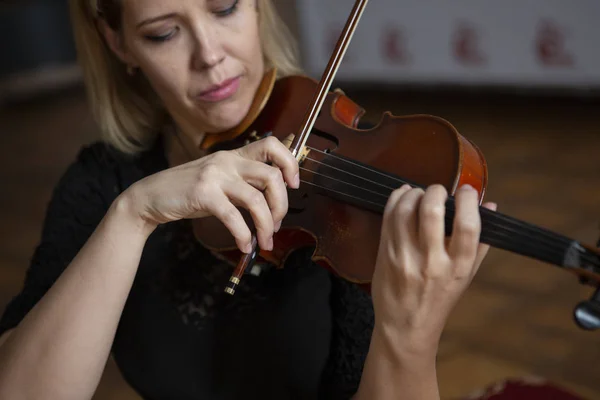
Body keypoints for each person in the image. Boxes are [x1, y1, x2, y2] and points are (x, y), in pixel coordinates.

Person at [0, 0, 497, 399]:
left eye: (224, 9)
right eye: (163, 33)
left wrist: (409, 337)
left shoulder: (343, 213)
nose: (210, 54)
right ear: (119, 43)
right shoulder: (101, 181)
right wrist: (134, 212)